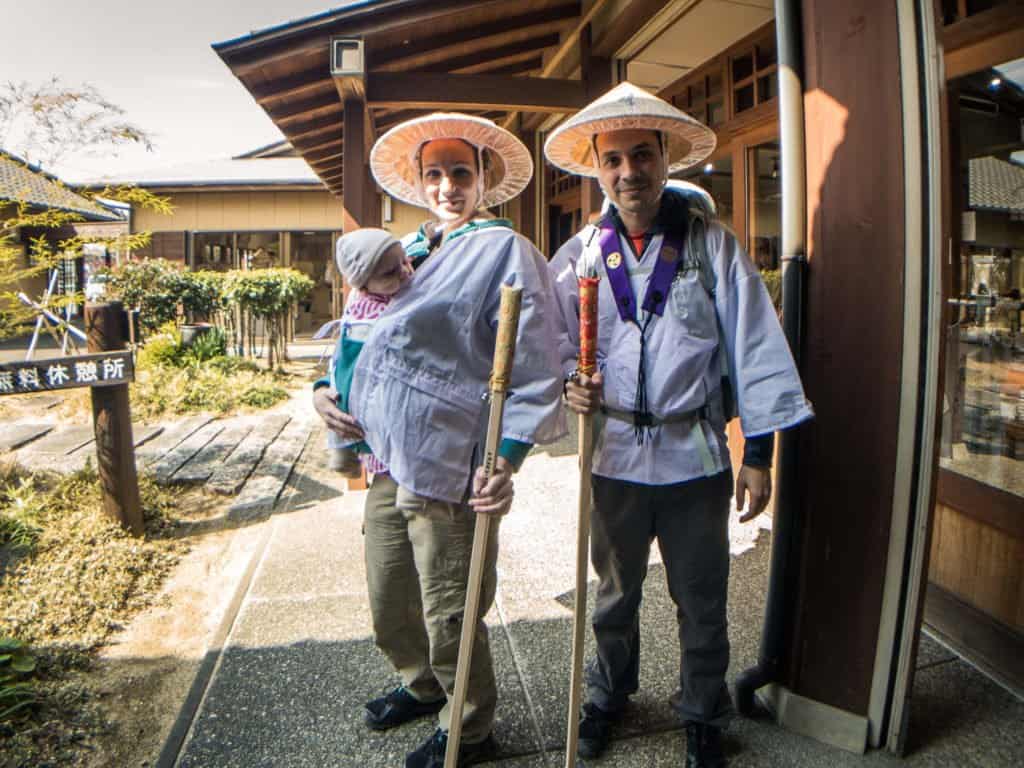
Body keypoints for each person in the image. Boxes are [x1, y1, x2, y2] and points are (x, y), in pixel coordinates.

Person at [544, 82, 814, 768]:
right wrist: (571, 382)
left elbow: (755, 348)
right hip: (612, 457)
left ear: (666, 159)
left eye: (642, 155)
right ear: (597, 169)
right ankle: (609, 695)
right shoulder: (581, 255)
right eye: (613, 159)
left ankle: (702, 712)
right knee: (613, 596)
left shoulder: (712, 247)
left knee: (702, 598)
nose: (628, 172)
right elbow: (548, 342)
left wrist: (759, 453)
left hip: (695, 457)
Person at [313, 113, 565, 768]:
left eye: (460, 172)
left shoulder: (506, 252)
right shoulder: (403, 252)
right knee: (389, 595)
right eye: (434, 174)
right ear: (418, 182)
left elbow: (536, 364)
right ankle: (422, 683)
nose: (447, 186)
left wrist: (506, 459)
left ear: (485, 178)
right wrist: (322, 391)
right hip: (385, 455)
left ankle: (470, 726)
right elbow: (357, 329)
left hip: (453, 459)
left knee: (450, 604)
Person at [318, 228, 412, 477]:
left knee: (348, 409)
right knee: (366, 418)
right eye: (390, 273)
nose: (404, 272)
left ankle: (343, 454)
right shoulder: (375, 308)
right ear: (364, 283)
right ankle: (346, 455)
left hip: (348, 376)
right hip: (366, 378)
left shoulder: (367, 297)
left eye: (405, 262)